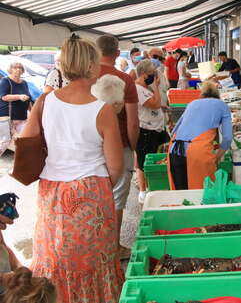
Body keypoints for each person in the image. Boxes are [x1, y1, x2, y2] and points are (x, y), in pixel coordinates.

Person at [22, 35, 124, 303]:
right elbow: (116, 165)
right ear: (91, 66)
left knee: (55, 258)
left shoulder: (45, 102)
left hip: (53, 192)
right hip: (92, 190)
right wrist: (99, 187)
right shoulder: (103, 110)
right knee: (95, 261)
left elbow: (27, 140)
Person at [96, 35, 139, 259]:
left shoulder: (86, 77)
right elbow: (133, 121)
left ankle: (94, 244)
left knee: (94, 195)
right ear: (116, 53)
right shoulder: (123, 79)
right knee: (116, 198)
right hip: (119, 145)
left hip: (91, 147)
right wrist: (133, 147)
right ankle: (113, 245)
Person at [168, 81, 232, 190]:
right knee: (201, 196)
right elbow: (227, 138)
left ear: (202, 94)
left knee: (180, 196)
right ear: (217, 95)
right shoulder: (222, 105)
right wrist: (217, 157)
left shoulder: (192, 103)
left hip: (175, 150)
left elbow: (174, 130)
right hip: (198, 153)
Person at [134, 60, 166, 203]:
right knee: (143, 161)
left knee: (155, 158)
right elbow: (154, 104)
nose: (153, 77)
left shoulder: (145, 87)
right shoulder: (138, 89)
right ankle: (142, 191)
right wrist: (156, 87)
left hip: (155, 128)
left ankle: (152, 185)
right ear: (143, 74)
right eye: (151, 74)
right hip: (146, 130)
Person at [0, 62, 31, 156]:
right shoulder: (6, 81)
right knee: (5, 141)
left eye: (20, 68)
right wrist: (19, 96)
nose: (18, 69)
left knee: (23, 141)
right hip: (7, 117)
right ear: (10, 69)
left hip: (22, 118)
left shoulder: (24, 83)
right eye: (15, 67)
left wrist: (31, 111)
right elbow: (3, 97)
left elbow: (28, 98)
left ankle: (18, 167)